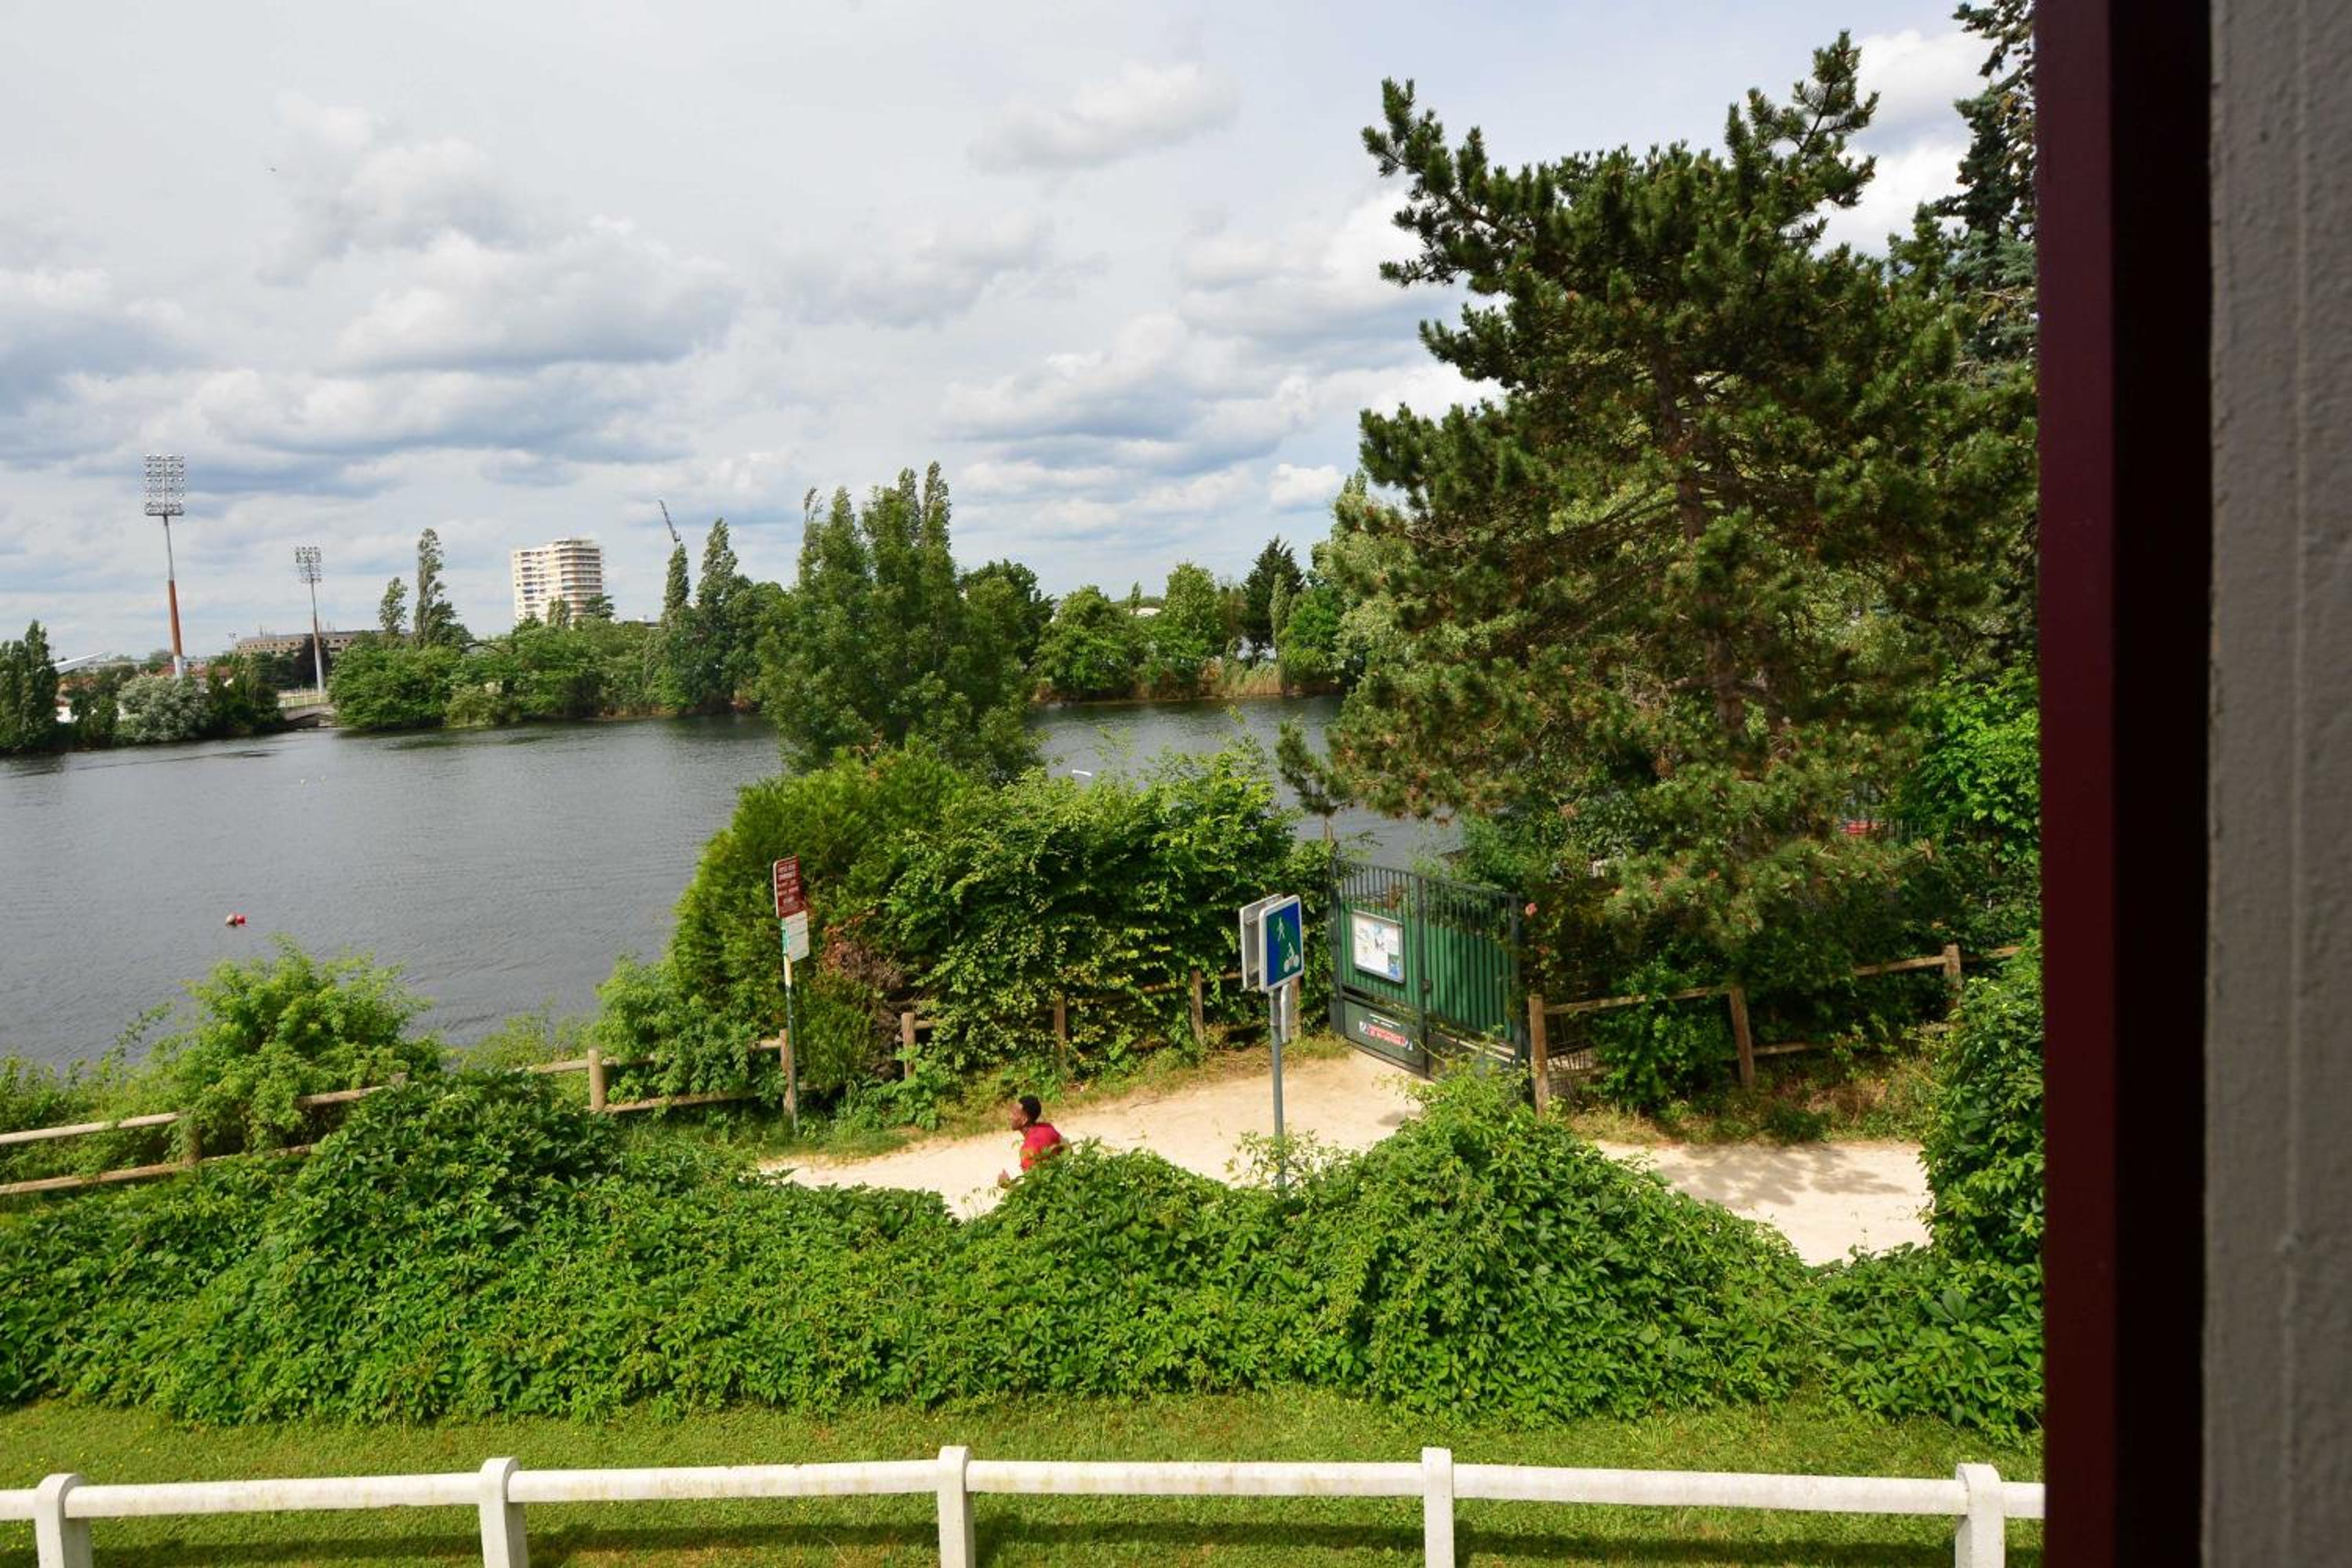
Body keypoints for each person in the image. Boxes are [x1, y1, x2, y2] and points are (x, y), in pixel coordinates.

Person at [997, 1094, 1065, 1187]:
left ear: (1024, 1120)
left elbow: (1032, 1190)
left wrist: (1008, 1185)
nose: (1010, 1117)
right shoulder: (1048, 1127)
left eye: (1014, 1114)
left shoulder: (1028, 1149)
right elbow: (1067, 1147)